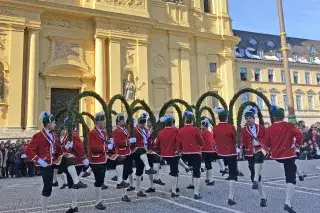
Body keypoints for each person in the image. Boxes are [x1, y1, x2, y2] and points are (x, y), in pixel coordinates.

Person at [264, 106, 303, 213]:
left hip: (276, 156)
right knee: (290, 179)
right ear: (283, 116)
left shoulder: (270, 128)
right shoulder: (289, 125)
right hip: (288, 154)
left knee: (291, 164)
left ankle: (300, 174)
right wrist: (297, 145)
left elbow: (266, 143)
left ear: (274, 117)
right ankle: (288, 203)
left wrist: (270, 150)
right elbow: (299, 134)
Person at [60, 117, 89, 213]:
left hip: (75, 162)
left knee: (72, 184)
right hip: (71, 162)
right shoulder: (69, 135)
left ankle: (74, 205)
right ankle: (74, 205)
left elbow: (79, 148)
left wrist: (84, 158)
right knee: (71, 184)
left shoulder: (73, 135)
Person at [240, 107, 267, 207]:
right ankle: (262, 197)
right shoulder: (244, 130)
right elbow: (243, 140)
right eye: (246, 118)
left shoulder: (261, 128)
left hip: (259, 149)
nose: (248, 120)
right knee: (254, 172)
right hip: (249, 152)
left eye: (250, 118)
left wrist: (267, 147)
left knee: (258, 163)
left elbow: (266, 138)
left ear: (253, 118)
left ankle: (255, 180)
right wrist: (241, 147)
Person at [212, 107, 237, 205]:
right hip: (231, 152)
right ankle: (231, 197)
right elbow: (235, 140)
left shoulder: (215, 127)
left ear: (219, 118)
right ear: (226, 117)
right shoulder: (231, 127)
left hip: (220, 152)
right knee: (233, 174)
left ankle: (225, 169)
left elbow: (214, 138)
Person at [177, 110, 204, 199]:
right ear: (192, 121)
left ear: (185, 121)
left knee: (187, 166)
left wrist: (180, 150)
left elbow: (179, 144)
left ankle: (189, 182)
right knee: (197, 172)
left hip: (185, 153)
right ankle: (196, 193)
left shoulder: (180, 130)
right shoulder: (196, 129)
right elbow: (201, 142)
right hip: (195, 152)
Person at [88, 111, 110, 210]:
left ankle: (99, 200)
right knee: (98, 181)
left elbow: (105, 142)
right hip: (96, 160)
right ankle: (98, 202)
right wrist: (106, 147)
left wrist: (110, 144)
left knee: (100, 180)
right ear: (97, 123)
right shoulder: (92, 133)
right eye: (102, 121)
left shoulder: (104, 132)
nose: (104, 122)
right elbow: (93, 147)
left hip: (103, 159)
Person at [113, 113, 136, 202]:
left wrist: (130, 143)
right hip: (122, 154)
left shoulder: (125, 130)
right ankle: (124, 194)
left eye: (123, 120)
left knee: (128, 171)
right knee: (124, 174)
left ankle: (126, 190)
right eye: (121, 121)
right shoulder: (116, 131)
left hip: (128, 152)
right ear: (118, 122)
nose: (123, 122)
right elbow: (117, 143)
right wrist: (128, 142)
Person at [133, 113, 157, 197]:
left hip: (147, 151)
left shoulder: (146, 130)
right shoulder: (134, 130)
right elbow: (133, 142)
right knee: (139, 171)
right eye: (141, 124)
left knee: (150, 168)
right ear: (138, 123)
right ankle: (138, 189)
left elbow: (149, 139)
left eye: (144, 124)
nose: (143, 125)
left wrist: (152, 145)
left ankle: (152, 186)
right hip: (138, 152)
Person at [157, 114, 180, 197]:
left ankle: (175, 188)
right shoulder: (176, 130)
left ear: (165, 124)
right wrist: (179, 151)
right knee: (174, 172)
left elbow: (158, 144)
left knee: (174, 171)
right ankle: (173, 190)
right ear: (172, 123)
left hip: (164, 154)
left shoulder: (160, 132)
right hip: (173, 154)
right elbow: (178, 142)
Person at [147, 118, 165, 186]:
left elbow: (158, 141)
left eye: (150, 122)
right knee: (149, 168)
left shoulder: (156, 131)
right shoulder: (146, 131)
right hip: (148, 151)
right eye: (147, 122)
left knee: (156, 163)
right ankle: (152, 186)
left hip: (155, 150)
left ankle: (156, 178)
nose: (148, 124)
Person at [200, 118, 216, 186]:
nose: (201, 126)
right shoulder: (210, 133)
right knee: (208, 164)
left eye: (202, 125)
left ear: (205, 126)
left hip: (206, 150)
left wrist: (200, 150)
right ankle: (207, 178)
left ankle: (211, 179)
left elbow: (201, 142)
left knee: (208, 165)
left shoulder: (202, 133)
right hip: (211, 150)